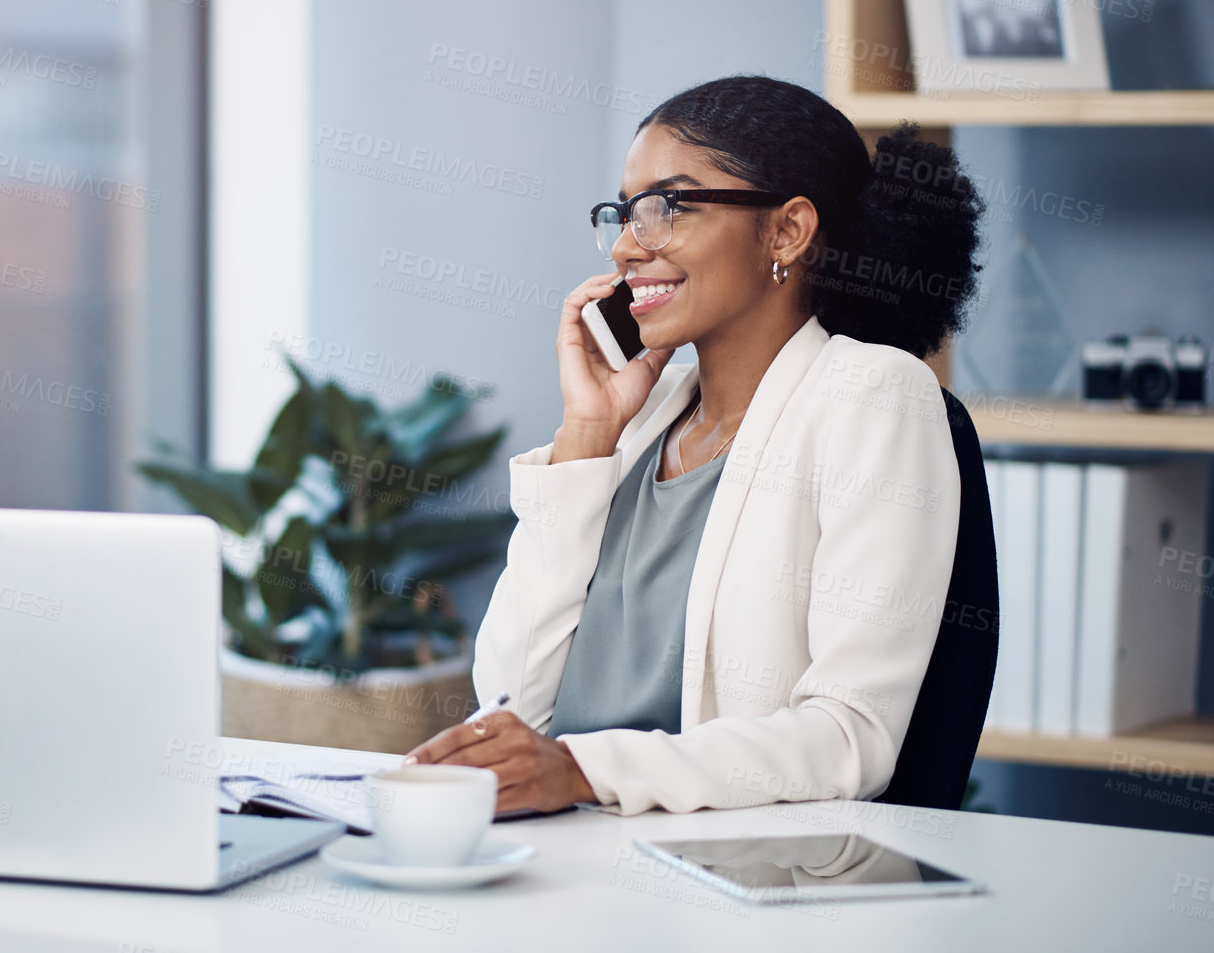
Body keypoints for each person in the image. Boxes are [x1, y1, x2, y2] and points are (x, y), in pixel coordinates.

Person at [405, 75, 984, 816]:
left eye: (665, 208)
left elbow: (849, 738)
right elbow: (510, 698)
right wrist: (586, 436)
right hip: (563, 853)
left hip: (715, 885)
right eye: (621, 213)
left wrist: (581, 771)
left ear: (786, 231)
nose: (623, 246)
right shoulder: (642, 421)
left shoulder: (871, 395)